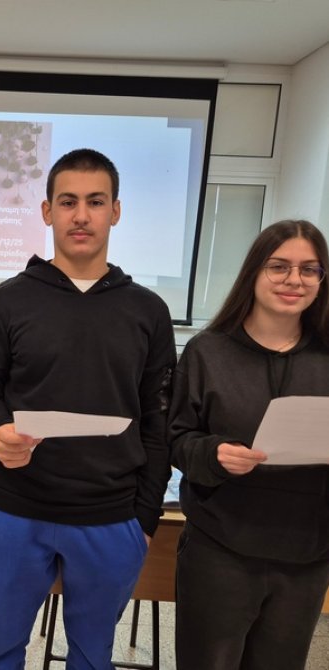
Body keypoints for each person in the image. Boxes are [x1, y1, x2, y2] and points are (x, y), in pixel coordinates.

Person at [0, 148, 177, 669]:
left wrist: (145, 518)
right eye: (68, 202)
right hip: (17, 509)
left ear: (115, 211)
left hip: (111, 517)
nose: (81, 215)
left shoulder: (148, 312)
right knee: (1, 650)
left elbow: (158, 421)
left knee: (91, 655)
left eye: (95, 201)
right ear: (47, 212)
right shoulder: (7, 302)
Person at [169, 220, 329, 670]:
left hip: (306, 555)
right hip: (221, 550)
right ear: (254, 272)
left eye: (309, 269)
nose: (294, 280)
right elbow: (177, 438)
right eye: (279, 266)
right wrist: (214, 454)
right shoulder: (208, 351)